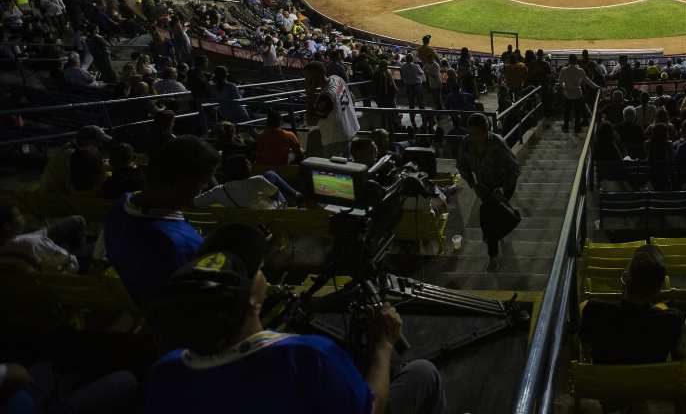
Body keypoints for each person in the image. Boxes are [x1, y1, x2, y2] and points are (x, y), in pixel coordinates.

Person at [145, 224, 445, 414]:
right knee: (423, 371)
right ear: (253, 300)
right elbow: (371, 408)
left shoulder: (164, 371)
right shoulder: (306, 356)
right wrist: (382, 345)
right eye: (257, 272)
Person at [104, 135, 220, 304]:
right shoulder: (178, 244)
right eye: (203, 183)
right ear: (185, 183)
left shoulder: (119, 208)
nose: (204, 189)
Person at [579, 245, 683, 363]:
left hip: (605, 381)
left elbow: (583, 344)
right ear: (658, 288)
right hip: (650, 381)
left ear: (625, 279)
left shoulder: (594, 310)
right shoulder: (671, 321)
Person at [457, 113, 520, 271]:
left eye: (478, 133)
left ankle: (493, 256)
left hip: (503, 185)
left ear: (486, 131)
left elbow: (514, 169)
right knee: (495, 216)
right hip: (484, 187)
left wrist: (503, 188)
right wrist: (472, 183)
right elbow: (461, 165)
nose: (474, 137)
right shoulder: (466, 143)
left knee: (488, 216)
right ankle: (511, 217)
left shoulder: (497, 143)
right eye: (471, 133)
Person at [303, 61, 359, 158]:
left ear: (315, 76)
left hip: (335, 139)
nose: (306, 81)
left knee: (333, 171)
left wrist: (310, 96)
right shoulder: (336, 78)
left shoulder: (326, 97)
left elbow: (311, 121)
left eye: (308, 77)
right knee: (345, 167)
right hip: (349, 130)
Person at [558, 54, 598, 132]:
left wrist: (565, 86)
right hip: (578, 94)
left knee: (567, 111)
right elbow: (588, 82)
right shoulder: (580, 70)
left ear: (569, 61)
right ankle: (577, 127)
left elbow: (560, 83)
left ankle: (566, 127)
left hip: (567, 94)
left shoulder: (563, 70)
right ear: (576, 61)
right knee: (577, 112)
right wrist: (597, 87)